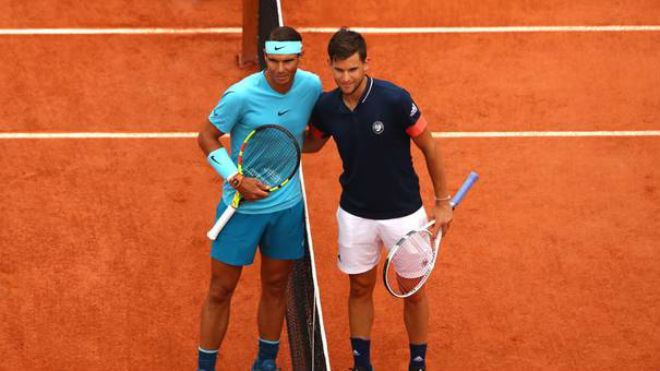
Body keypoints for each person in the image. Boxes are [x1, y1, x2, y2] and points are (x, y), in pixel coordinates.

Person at [303, 28, 454, 371]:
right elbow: (312, 143)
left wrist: (442, 201)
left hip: (404, 214)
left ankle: (417, 363)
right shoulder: (327, 106)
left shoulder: (395, 99)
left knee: (413, 291)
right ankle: (362, 365)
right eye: (339, 70)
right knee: (359, 287)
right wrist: (283, 139)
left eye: (353, 69)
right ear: (329, 65)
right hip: (355, 214)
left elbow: (429, 147)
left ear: (366, 63)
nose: (346, 77)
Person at [196, 26, 321, 371]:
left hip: (287, 208)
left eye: (289, 61)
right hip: (240, 209)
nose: (281, 69)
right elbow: (206, 137)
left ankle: (265, 362)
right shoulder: (240, 95)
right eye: (273, 61)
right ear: (265, 57)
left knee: (277, 285)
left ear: (300, 57)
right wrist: (237, 179)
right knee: (221, 290)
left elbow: (311, 136)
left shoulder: (311, 87)